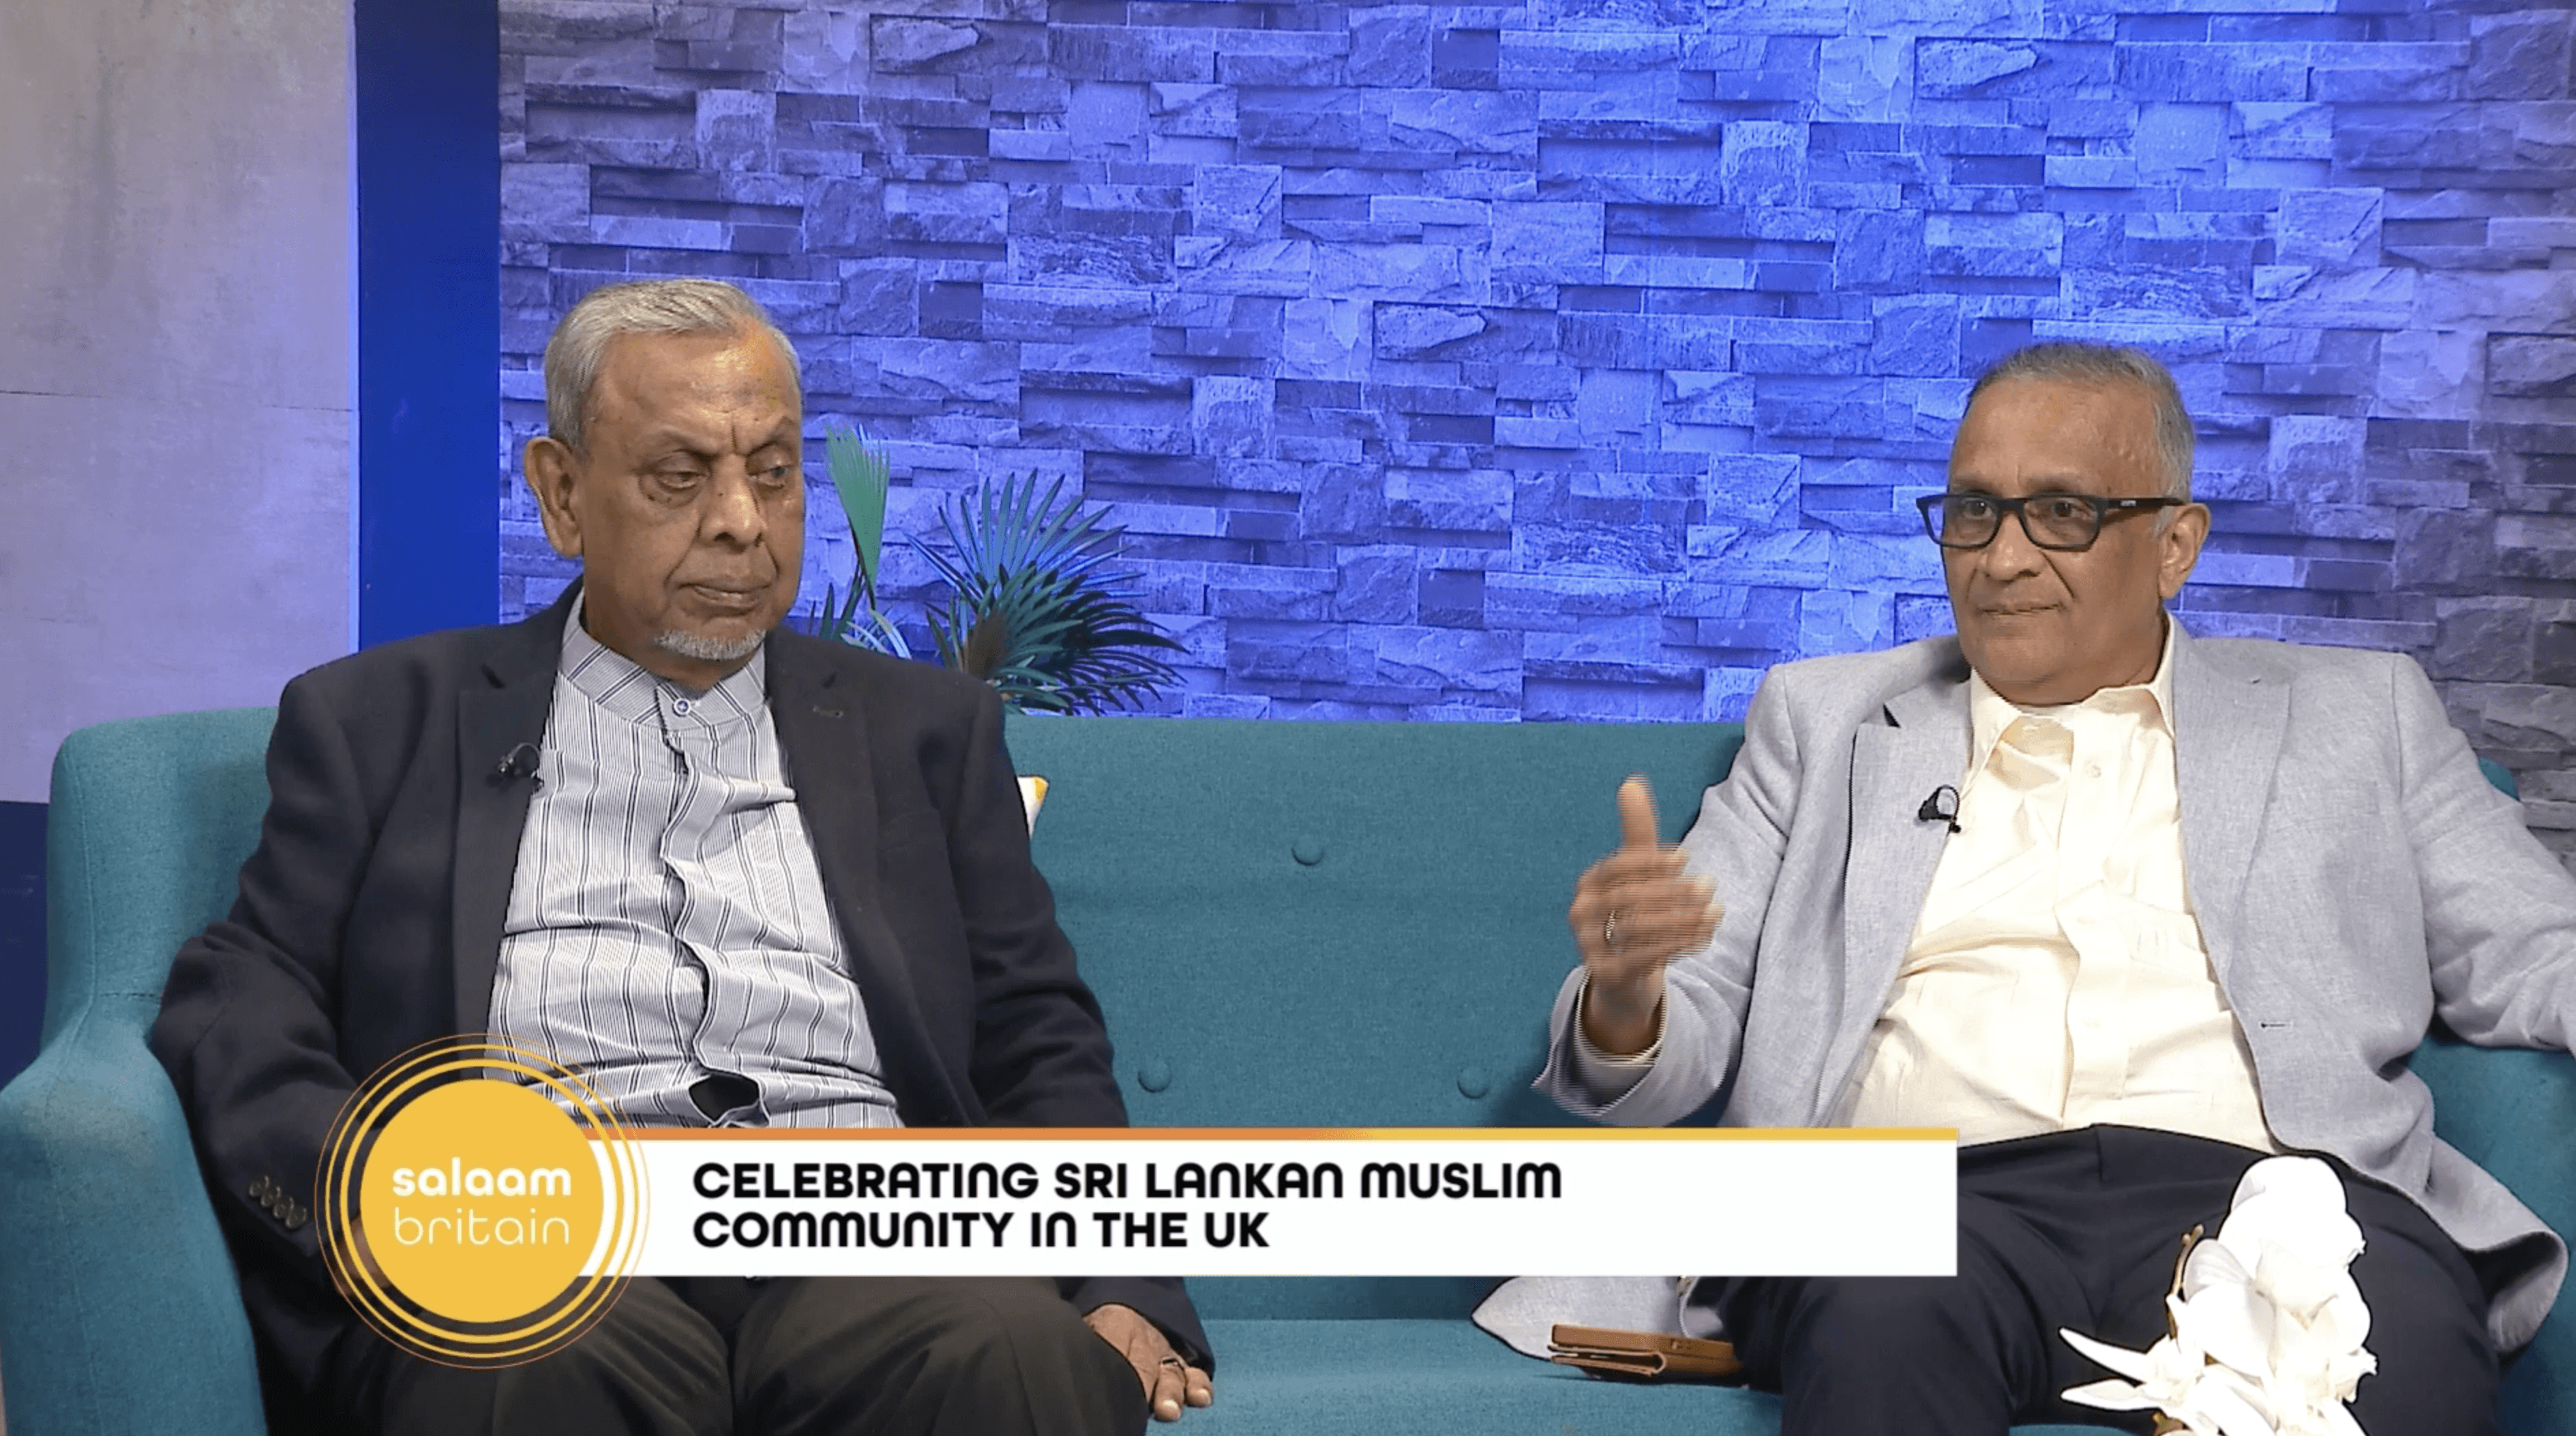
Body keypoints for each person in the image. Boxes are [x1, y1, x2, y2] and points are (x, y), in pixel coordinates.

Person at [150, 278, 1212, 1436]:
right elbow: (238, 1001)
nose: (743, 523)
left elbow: (1032, 1027)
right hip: (550, 1242)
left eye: (772, 470)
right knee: (509, 1362)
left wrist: (1124, 1276)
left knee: (1014, 1361)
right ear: (562, 495)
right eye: (679, 476)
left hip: (873, 1237)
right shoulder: (381, 721)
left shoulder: (926, 731)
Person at [1545, 342, 2575, 1436]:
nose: (2001, 557)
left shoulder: (2358, 715)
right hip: (1922, 1202)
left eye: (2062, 515)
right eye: (1975, 510)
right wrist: (1629, 997)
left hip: (2275, 1198)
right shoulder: (1822, 721)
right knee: (1879, 1317)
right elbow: (1675, 1032)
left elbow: (2530, 946)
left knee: (2398, 1346)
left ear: (2173, 544)